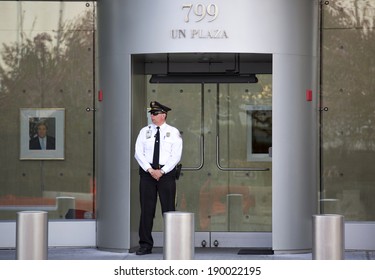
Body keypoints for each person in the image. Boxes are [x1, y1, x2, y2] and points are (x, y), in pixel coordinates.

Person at [134, 101, 183, 255]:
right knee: (147, 210)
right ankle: (145, 245)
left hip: (166, 175)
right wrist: (150, 169)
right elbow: (138, 152)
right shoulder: (144, 131)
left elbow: (176, 155)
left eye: (155, 114)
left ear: (164, 115)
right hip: (147, 175)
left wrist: (162, 171)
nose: (152, 116)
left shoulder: (173, 132)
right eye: (151, 113)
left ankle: (173, 246)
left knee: (169, 210)